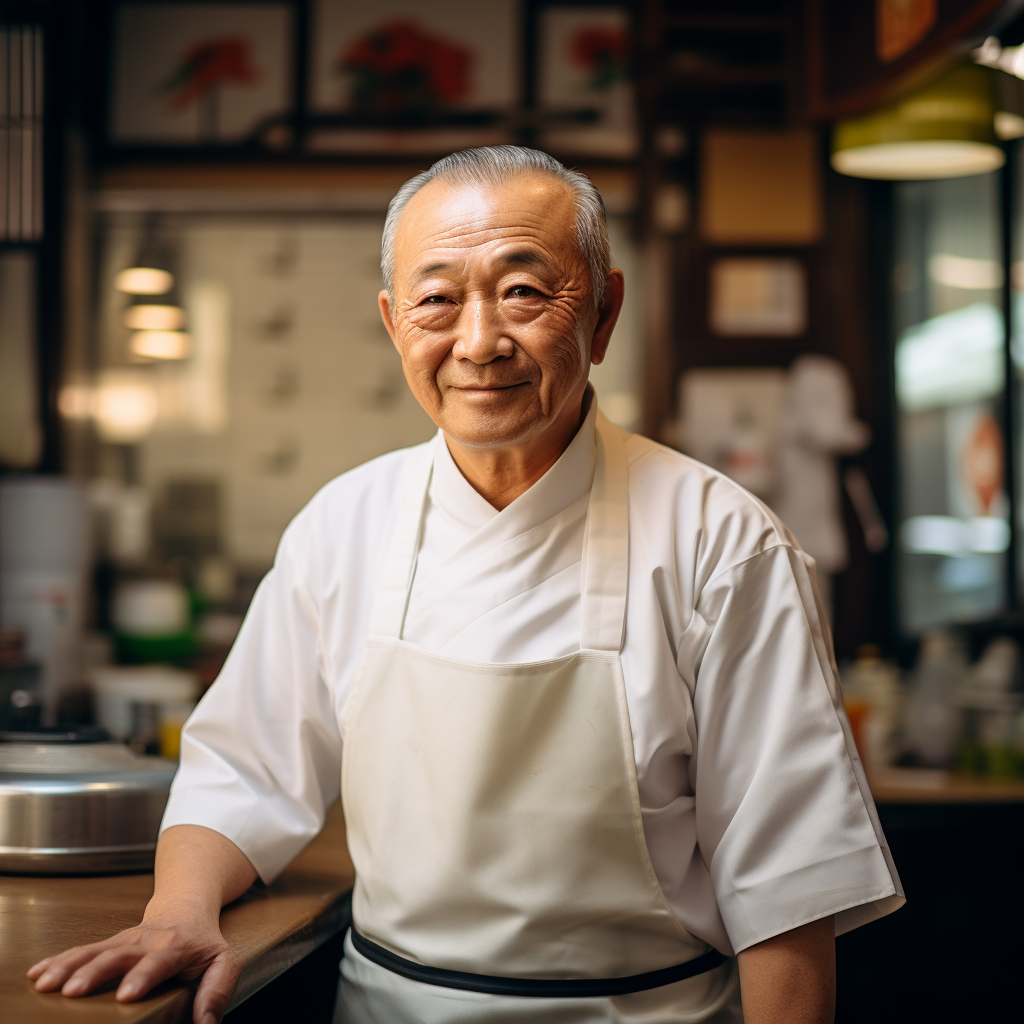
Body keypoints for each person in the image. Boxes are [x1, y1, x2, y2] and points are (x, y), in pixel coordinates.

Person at [28, 147, 903, 1024]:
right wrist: (179, 912)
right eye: (437, 299)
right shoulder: (344, 525)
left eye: (524, 291)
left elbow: (787, 889)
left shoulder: (723, 541)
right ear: (392, 322)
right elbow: (243, 770)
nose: (478, 342)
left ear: (603, 314)